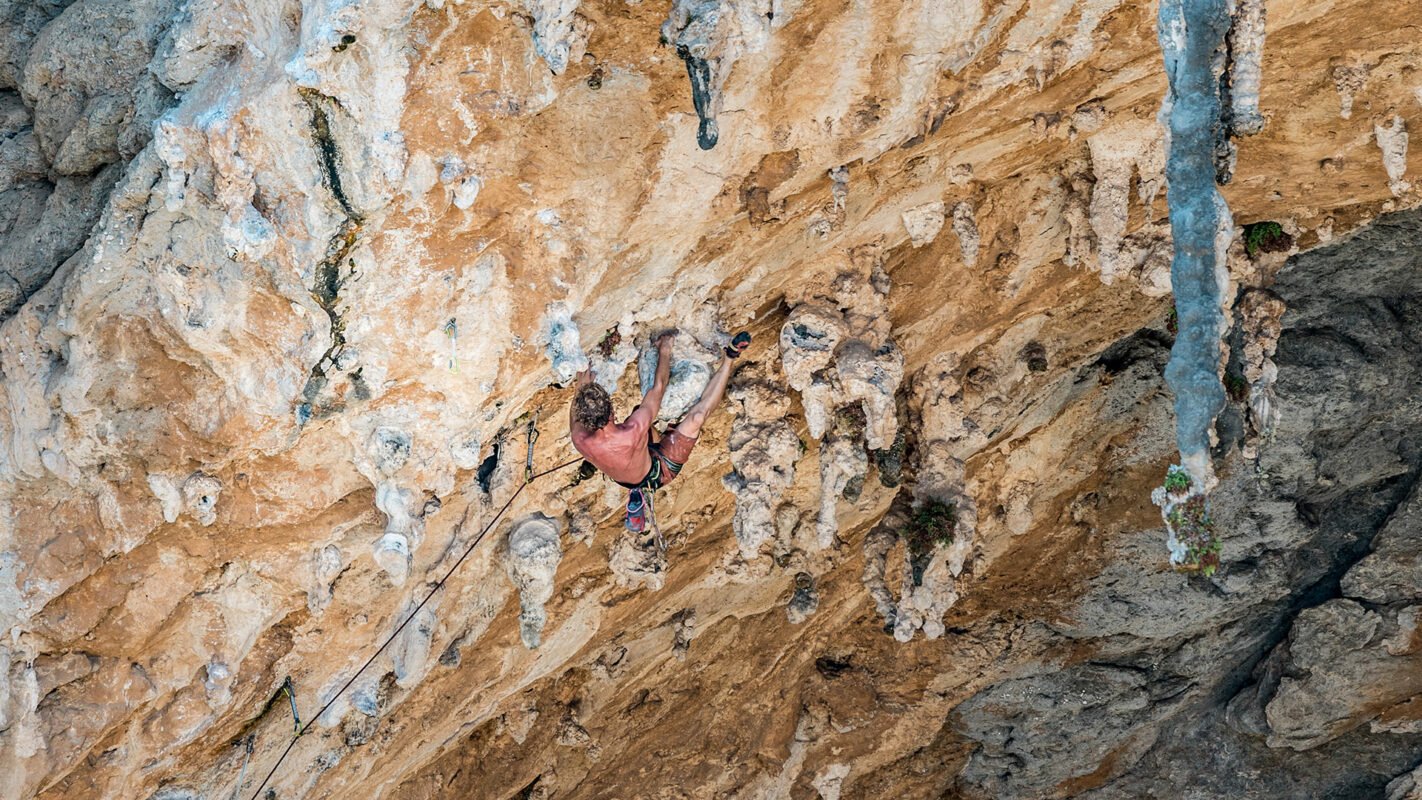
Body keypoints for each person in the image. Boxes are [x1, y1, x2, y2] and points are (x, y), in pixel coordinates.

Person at [570, 330, 751, 532]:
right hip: (659, 470)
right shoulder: (631, 429)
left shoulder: (580, 437)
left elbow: (577, 407)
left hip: (632, 462)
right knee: (697, 418)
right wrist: (665, 349)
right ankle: (729, 358)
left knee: (639, 413)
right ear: (611, 410)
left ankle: (637, 486)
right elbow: (659, 386)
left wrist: (581, 388)